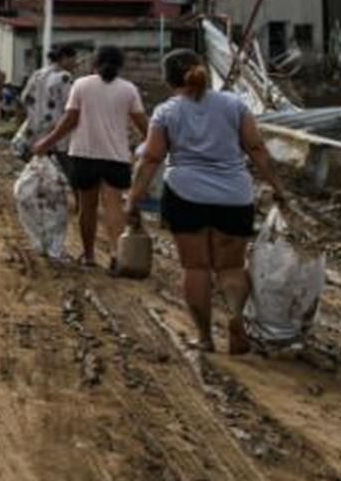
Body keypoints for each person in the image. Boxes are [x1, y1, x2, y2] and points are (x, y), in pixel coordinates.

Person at [124, 49, 288, 354]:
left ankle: (204, 337)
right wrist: (278, 187)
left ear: (169, 79)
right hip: (235, 197)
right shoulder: (235, 105)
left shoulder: (166, 112)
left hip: (186, 195)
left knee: (195, 267)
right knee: (231, 267)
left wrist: (133, 199)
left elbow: (151, 159)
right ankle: (236, 319)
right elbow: (256, 147)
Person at [33, 45, 147, 267]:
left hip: (84, 155)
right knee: (113, 206)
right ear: (120, 66)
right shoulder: (129, 89)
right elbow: (144, 125)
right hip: (116, 157)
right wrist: (153, 148)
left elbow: (70, 120)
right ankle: (117, 254)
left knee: (87, 207)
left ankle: (89, 256)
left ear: (95, 63)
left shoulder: (82, 85)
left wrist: (46, 142)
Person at [15, 45, 78, 172]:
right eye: (73, 59)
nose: (75, 63)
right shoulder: (64, 77)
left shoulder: (38, 74)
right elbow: (72, 105)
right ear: (64, 58)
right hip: (59, 130)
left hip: (37, 128)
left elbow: (24, 98)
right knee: (68, 167)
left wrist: (35, 114)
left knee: (40, 168)